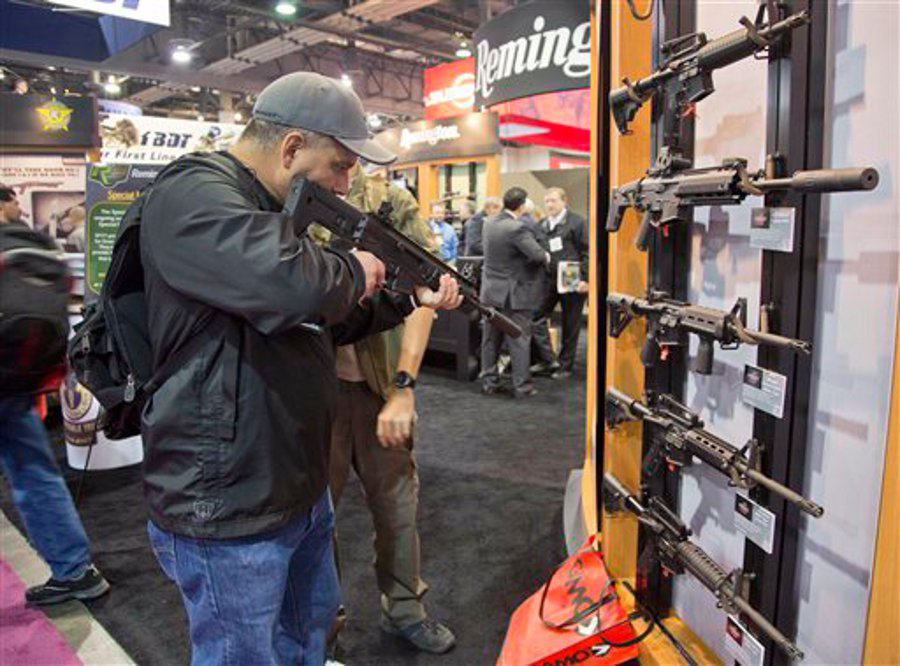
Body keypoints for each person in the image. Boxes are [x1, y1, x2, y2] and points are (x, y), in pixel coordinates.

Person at [138, 72, 460, 665]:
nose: (346, 183)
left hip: (292, 487)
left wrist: (409, 298)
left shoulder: (264, 208)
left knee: (306, 638)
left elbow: (320, 323)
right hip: (228, 500)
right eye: (339, 165)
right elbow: (289, 282)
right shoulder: (194, 192)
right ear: (291, 148)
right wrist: (358, 267)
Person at [328, 165, 455, 656]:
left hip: (380, 387)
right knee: (316, 518)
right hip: (316, 392)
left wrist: (405, 387)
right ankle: (324, 620)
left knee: (398, 508)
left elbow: (426, 293)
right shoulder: (287, 199)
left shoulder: (389, 201)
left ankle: (404, 608)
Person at [0, 184, 110, 606]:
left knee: (32, 473)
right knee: (34, 473)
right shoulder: (35, 244)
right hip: (17, 381)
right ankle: (74, 569)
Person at [480, 187, 550, 398]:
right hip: (514, 295)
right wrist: (546, 256)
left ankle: (489, 382)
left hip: (491, 292)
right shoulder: (517, 228)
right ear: (522, 205)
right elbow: (537, 255)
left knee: (490, 339)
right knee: (519, 339)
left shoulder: (489, 223)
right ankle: (522, 387)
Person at [531, 187, 589, 380]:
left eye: (553, 201)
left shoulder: (577, 222)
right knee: (535, 317)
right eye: (546, 201)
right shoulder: (541, 225)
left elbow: (586, 252)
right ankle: (548, 359)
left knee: (570, 324)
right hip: (547, 279)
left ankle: (565, 366)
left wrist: (585, 279)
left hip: (571, 278)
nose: (549, 205)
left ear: (564, 201)